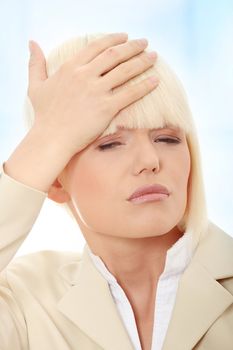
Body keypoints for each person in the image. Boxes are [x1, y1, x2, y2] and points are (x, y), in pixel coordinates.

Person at [0, 32, 232, 350]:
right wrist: (47, 138)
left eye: (168, 138)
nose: (150, 161)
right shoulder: (25, 298)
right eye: (110, 144)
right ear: (54, 179)